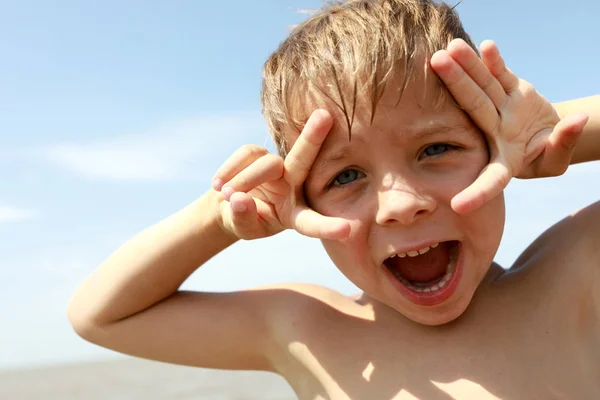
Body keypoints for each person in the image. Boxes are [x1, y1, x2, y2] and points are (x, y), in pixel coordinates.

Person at [67, 0, 600, 398]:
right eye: (345, 177)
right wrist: (219, 217)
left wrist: (552, 134)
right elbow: (99, 315)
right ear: (303, 201)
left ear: (492, 149)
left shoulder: (572, 277)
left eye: (437, 148)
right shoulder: (307, 329)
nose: (399, 204)